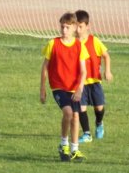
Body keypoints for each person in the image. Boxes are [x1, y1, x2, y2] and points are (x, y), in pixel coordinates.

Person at [40, 12, 89, 162]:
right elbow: (45, 67)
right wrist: (42, 89)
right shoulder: (53, 44)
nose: (64, 30)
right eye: (62, 27)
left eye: (67, 27)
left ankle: (74, 149)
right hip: (58, 86)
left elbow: (83, 71)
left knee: (75, 116)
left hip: (74, 88)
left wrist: (80, 89)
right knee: (68, 113)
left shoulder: (79, 46)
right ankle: (63, 144)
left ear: (75, 28)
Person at [75, 10, 113, 143]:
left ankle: (99, 123)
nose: (78, 29)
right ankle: (86, 133)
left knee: (99, 108)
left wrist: (107, 71)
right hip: (80, 83)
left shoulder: (94, 41)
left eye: (81, 26)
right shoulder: (73, 43)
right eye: (76, 26)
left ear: (87, 26)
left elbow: (106, 55)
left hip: (95, 81)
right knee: (81, 108)